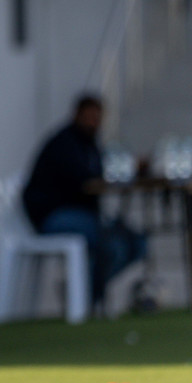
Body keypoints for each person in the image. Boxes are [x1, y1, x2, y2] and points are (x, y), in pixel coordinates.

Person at [21, 94, 146, 314]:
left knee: (136, 242)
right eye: (89, 117)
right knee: (110, 242)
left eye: (97, 118)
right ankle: (83, 297)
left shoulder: (90, 145)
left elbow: (98, 174)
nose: (93, 123)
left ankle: (82, 292)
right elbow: (83, 179)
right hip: (54, 215)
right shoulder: (64, 144)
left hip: (83, 214)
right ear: (76, 115)